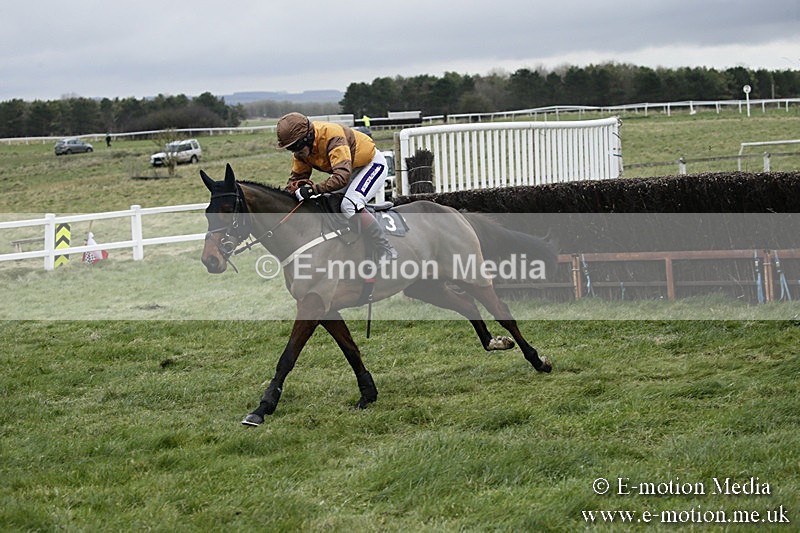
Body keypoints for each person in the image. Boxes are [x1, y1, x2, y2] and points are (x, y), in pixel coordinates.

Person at [277, 112, 398, 261]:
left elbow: (341, 177)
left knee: (349, 205)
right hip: (349, 170)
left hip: (371, 165)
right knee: (327, 202)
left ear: (308, 137)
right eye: (291, 148)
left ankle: (385, 247)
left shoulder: (332, 136)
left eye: (297, 146)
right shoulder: (301, 151)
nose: (296, 152)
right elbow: (296, 179)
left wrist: (312, 190)